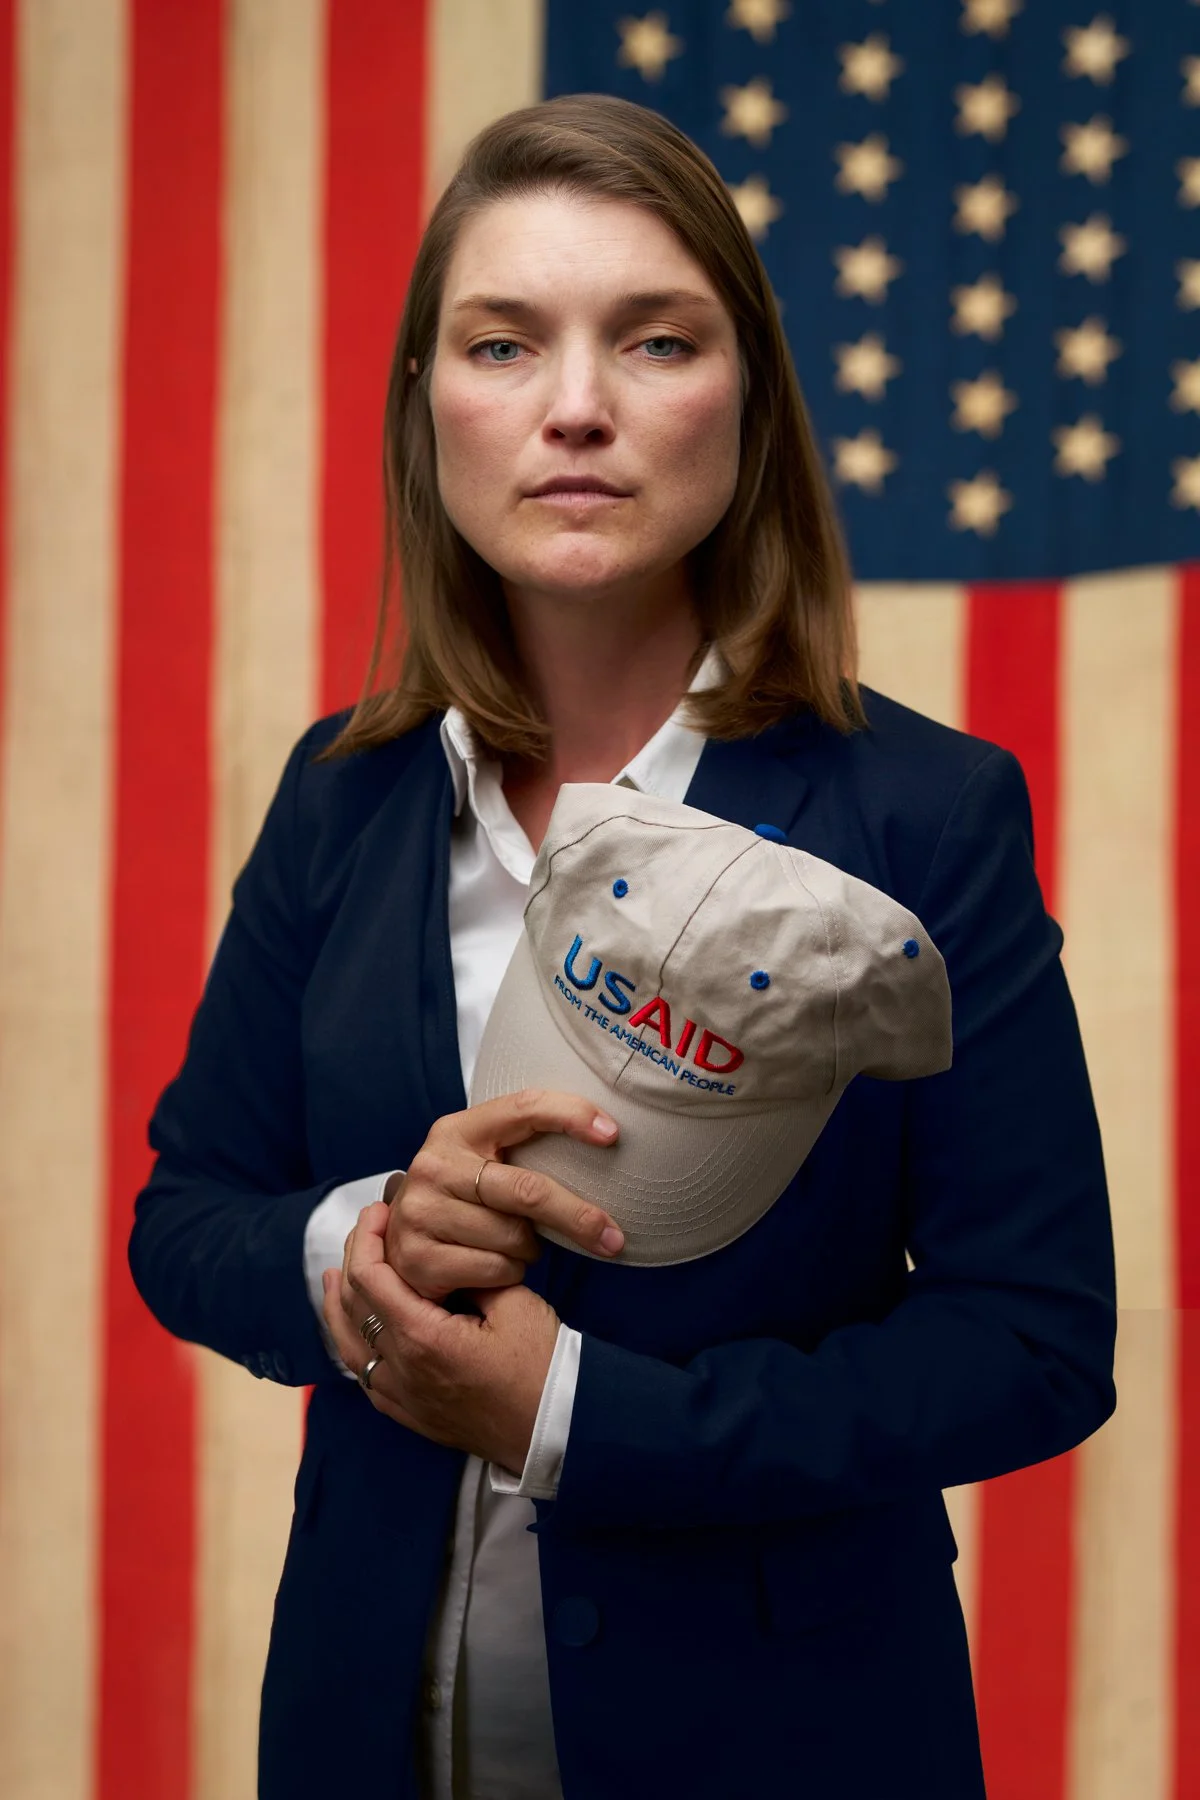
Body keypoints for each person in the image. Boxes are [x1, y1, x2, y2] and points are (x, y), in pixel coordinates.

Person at [128, 93, 1117, 1800]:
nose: (575, 408)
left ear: (745, 400)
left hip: (785, 1743)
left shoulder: (926, 814)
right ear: (427, 405)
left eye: (654, 340)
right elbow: (189, 1218)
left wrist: (574, 1417)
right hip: (372, 1734)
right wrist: (366, 1248)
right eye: (503, 343)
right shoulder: (343, 797)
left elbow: (1031, 1340)